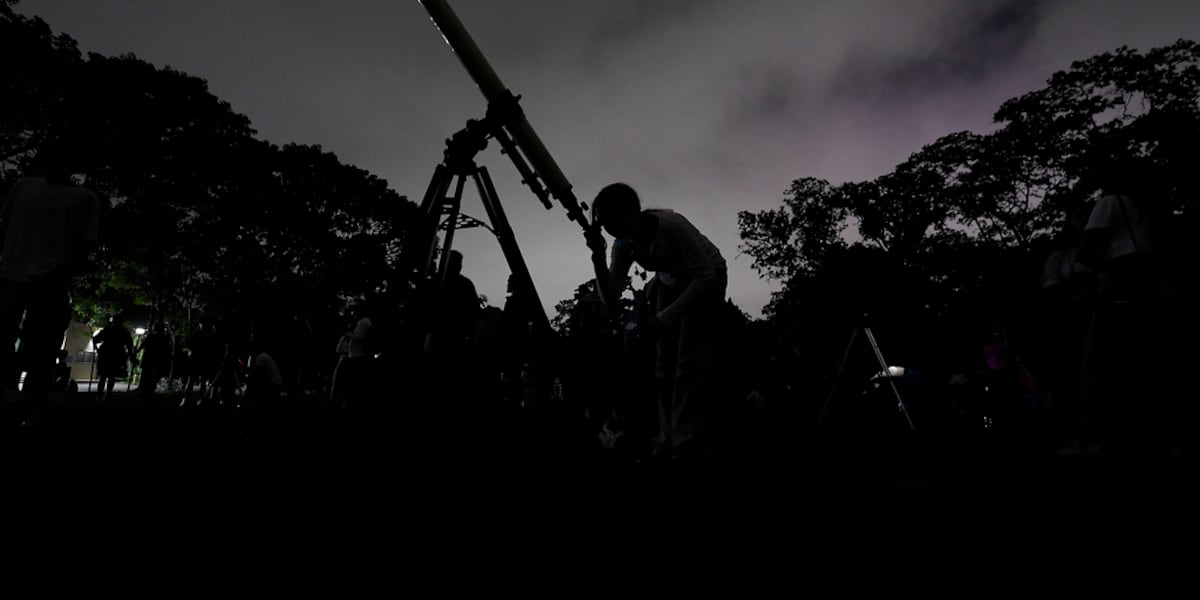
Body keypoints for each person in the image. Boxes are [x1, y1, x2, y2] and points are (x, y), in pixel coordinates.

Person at [591, 182, 728, 465]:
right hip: (669, 279)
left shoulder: (673, 226)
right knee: (662, 366)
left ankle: (686, 441)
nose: (610, 227)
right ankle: (666, 436)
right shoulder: (623, 243)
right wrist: (597, 255)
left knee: (688, 362)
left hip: (706, 276)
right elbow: (610, 296)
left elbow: (705, 277)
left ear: (632, 210)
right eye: (604, 222)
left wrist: (664, 320)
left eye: (613, 217)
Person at [0, 146, 100, 424]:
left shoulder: (82, 198)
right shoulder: (24, 186)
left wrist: (62, 271)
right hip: (16, 275)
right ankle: (22, 399)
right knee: (32, 342)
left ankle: (30, 402)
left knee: (41, 345)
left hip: (46, 280)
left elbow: (85, 244)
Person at [93, 315, 136, 402]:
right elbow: (129, 345)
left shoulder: (108, 330)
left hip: (108, 354)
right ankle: (105, 395)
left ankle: (101, 395)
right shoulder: (123, 331)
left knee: (104, 376)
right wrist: (131, 355)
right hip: (115, 355)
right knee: (110, 377)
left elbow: (96, 339)